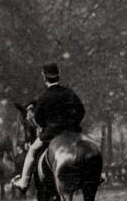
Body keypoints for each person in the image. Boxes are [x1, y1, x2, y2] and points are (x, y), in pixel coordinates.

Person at [12, 63, 85, 191]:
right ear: (58, 76)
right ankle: (94, 175)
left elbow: (38, 119)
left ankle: (23, 182)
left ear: (45, 78)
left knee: (32, 151)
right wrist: (73, 124)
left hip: (51, 133)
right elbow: (81, 110)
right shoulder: (68, 93)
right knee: (86, 148)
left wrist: (48, 126)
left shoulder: (43, 97)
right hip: (70, 132)